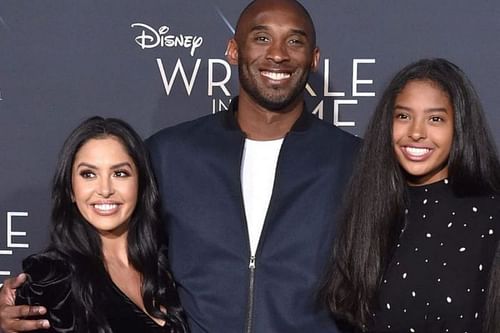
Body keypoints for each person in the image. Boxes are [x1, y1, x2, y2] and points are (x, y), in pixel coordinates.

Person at [0, 1, 360, 332]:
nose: (278, 54)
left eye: (294, 42)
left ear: (314, 59)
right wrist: (27, 303)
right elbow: (103, 247)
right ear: (234, 51)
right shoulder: (169, 153)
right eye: (262, 38)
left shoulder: (355, 162)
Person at [321, 58, 500, 333]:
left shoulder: (489, 215)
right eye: (403, 116)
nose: (416, 133)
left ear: (459, 127)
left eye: (435, 119)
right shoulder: (369, 206)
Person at [3, 117, 188, 333]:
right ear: (71, 189)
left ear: (141, 184)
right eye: (88, 174)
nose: (105, 189)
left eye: (120, 173)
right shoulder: (51, 281)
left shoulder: (166, 267)